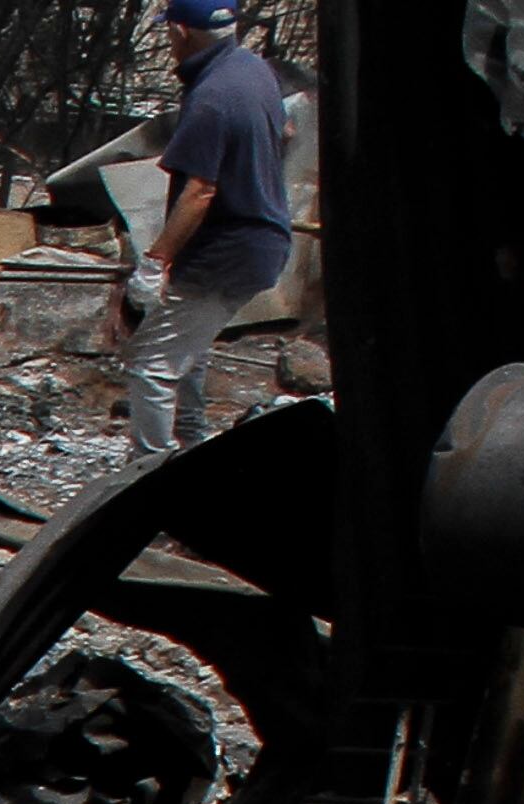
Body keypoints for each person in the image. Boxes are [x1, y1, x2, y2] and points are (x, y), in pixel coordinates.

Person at [120, 0, 293, 461]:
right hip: (260, 240)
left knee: (151, 366)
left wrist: (154, 263)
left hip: (229, 247)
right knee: (187, 350)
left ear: (180, 30)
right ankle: (193, 449)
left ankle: (149, 481)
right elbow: (288, 130)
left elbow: (199, 192)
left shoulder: (212, 97)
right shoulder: (254, 70)